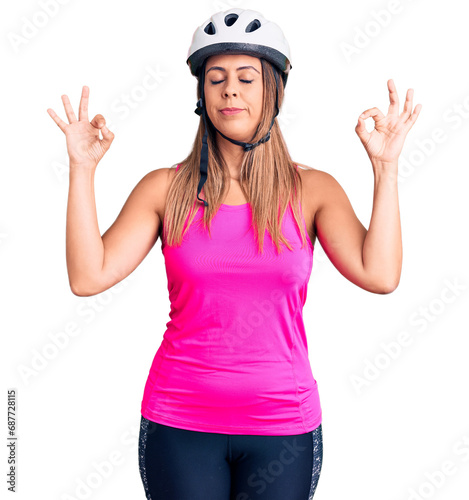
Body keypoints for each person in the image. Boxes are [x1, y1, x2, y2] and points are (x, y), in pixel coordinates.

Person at [47, 8, 421, 500]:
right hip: (179, 422)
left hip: (283, 425)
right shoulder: (165, 189)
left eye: (246, 78)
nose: (229, 90)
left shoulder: (313, 190)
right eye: (216, 78)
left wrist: (386, 168)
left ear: (273, 92)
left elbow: (381, 274)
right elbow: (87, 276)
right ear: (201, 94)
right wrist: (81, 169)